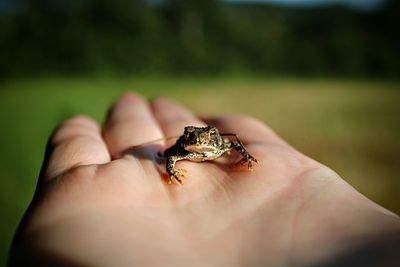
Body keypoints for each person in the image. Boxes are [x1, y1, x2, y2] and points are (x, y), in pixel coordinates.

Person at [9, 93, 400, 267]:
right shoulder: (185, 145)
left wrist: (244, 157)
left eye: (199, 138)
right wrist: (174, 167)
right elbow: (173, 155)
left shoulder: (215, 142)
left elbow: (229, 140)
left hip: (218, 150)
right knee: (169, 155)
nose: (194, 142)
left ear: (206, 138)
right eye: (191, 138)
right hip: (183, 151)